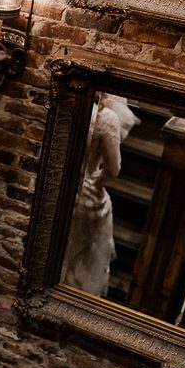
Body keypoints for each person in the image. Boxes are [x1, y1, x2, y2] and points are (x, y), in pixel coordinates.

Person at [62, 93, 140, 296]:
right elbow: (114, 169)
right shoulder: (106, 118)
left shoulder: (69, 101)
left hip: (61, 188)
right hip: (87, 196)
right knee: (78, 257)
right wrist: (96, 175)